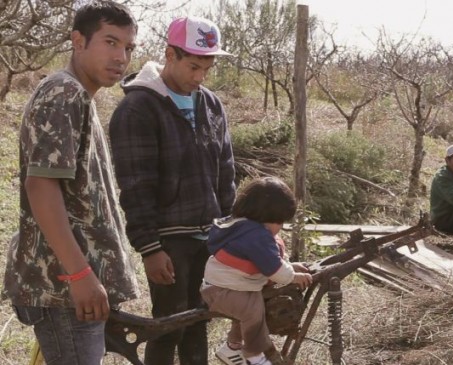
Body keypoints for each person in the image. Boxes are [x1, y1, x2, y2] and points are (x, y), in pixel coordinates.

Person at [1, 1, 139, 364]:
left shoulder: (80, 96)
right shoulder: (64, 93)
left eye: (128, 47)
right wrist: (79, 274)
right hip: (64, 289)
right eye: (110, 42)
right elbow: (41, 188)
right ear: (78, 41)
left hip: (71, 288)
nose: (121, 56)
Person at [108, 15, 236, 365]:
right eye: (193, 66)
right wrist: (150, 248)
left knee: (200, 319)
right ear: (170, 55)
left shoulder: (210, 104)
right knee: (169, 324)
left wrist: (228, 231)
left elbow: (226, 172)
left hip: (209, 235)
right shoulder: (138, 109)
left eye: (206, 69)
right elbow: (135, 186)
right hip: (169, 240)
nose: (199, 77)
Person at [200, 177, 313, 365]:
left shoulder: (241, 225)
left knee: (249, 303)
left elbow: (263, 262)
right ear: (270, 217)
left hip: (218, 287)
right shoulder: (258, 236)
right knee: (253, 309)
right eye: (281, 222)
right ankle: (254, 355)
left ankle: (232, 347)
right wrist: (293, 276)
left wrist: (291, 266)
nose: (280, 228)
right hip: (222, 292)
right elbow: (275, 270)